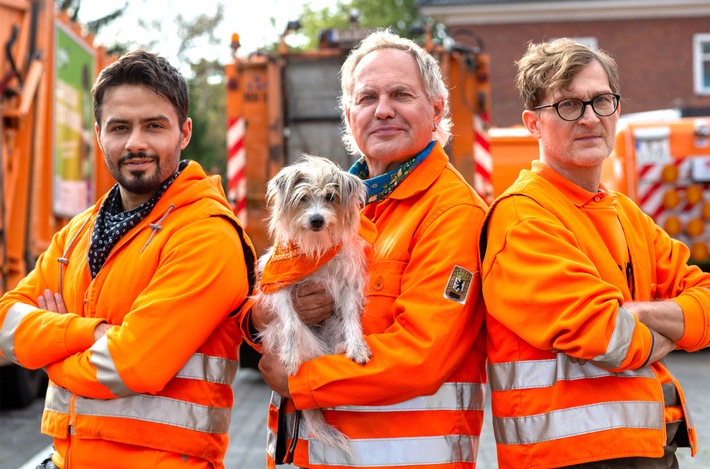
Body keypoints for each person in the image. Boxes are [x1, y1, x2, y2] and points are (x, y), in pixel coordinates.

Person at [243, 29, 488, 468]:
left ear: (436, 109)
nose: (383, 110)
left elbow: (422, 356)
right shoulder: (339, 205)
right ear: (349, 113)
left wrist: (300, 380)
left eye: (401, 95)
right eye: (367, 97)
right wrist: (264, 312)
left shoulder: (452, 211)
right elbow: (262, 303)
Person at [0, 50, 256, 469]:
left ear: (184, 132)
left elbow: (130, 366)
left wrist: (48, 348)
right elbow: (7, 322)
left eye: (154, 126)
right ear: (99, 134)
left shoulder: (206, 235)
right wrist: (94, 333)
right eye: (120, 127)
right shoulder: (79, 233)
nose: (136, 142)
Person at [480, 38, 710, 469]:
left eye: (601, 100)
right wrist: (674, 323)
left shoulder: (625, 214)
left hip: (650, 449)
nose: (589, 118)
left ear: (617, 109)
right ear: (533, 123)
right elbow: (607, 337)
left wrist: (637, 314)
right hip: (569, 458)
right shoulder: (521, 218)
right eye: (568, 105)